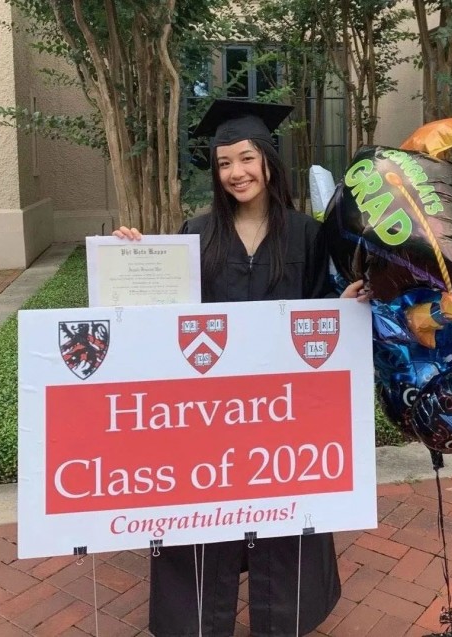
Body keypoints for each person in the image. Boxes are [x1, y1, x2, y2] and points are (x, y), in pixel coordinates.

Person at [114, 99, 367, 637]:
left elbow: (319, 311)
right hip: (210, 415)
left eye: (246, 158)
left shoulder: (306, 233)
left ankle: (285, 617)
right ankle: (198, 620)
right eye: (224, 162)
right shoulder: (196, 231)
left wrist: (343, 304)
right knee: (203, 515)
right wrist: (132, 260)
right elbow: (164, 314)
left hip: (283, 413)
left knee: (285, 512)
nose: (236, 172)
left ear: (269, 161)